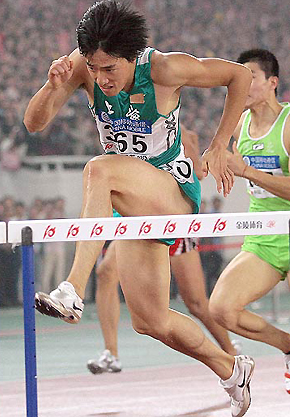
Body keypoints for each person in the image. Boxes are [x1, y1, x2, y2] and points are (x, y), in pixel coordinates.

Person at [24, 1, 254, 416]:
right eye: (93, 68)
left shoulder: (164, 69)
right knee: (150, 320)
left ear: (132, 57)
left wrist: (221, 143)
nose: (100, 78)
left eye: (110, 69)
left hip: (173, 192)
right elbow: (33, 123)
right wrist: (51, 84)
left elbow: (238, 75)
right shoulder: (83, 67)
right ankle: (231, 369)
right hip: (131, 202)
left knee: (99, 170)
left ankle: (72, 289)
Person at [87, 127, 240, 374]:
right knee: (106, 272)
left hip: (171, 219)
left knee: (196, 302)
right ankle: (111, 353)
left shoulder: (181, 133)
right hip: (139, 219)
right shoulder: (122, 124)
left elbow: (199, 173)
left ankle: (231, 353)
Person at [208, 49, 290, 394]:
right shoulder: (238, 124)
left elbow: (247, 171)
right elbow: (222, 161)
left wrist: (246, 170)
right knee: (222, 309)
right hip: (265, 237)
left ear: (272, 83)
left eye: (251, 77)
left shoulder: (287, 124)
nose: (243, 84)